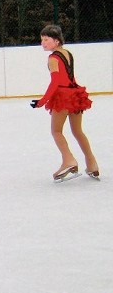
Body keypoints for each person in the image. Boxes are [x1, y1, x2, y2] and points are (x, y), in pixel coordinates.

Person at [30, 24, 99, 181]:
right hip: (75, 94)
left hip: (63, 96)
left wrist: (42, 101)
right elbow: (70, 78)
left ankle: (68, 160)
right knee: (78, 131)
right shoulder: (67, 53)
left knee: (56, 131)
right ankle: (92, 163)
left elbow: (55, 82)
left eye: (46, 40)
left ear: (56, 41)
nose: (43, 43)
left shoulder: (53, 57)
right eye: (42, 40)